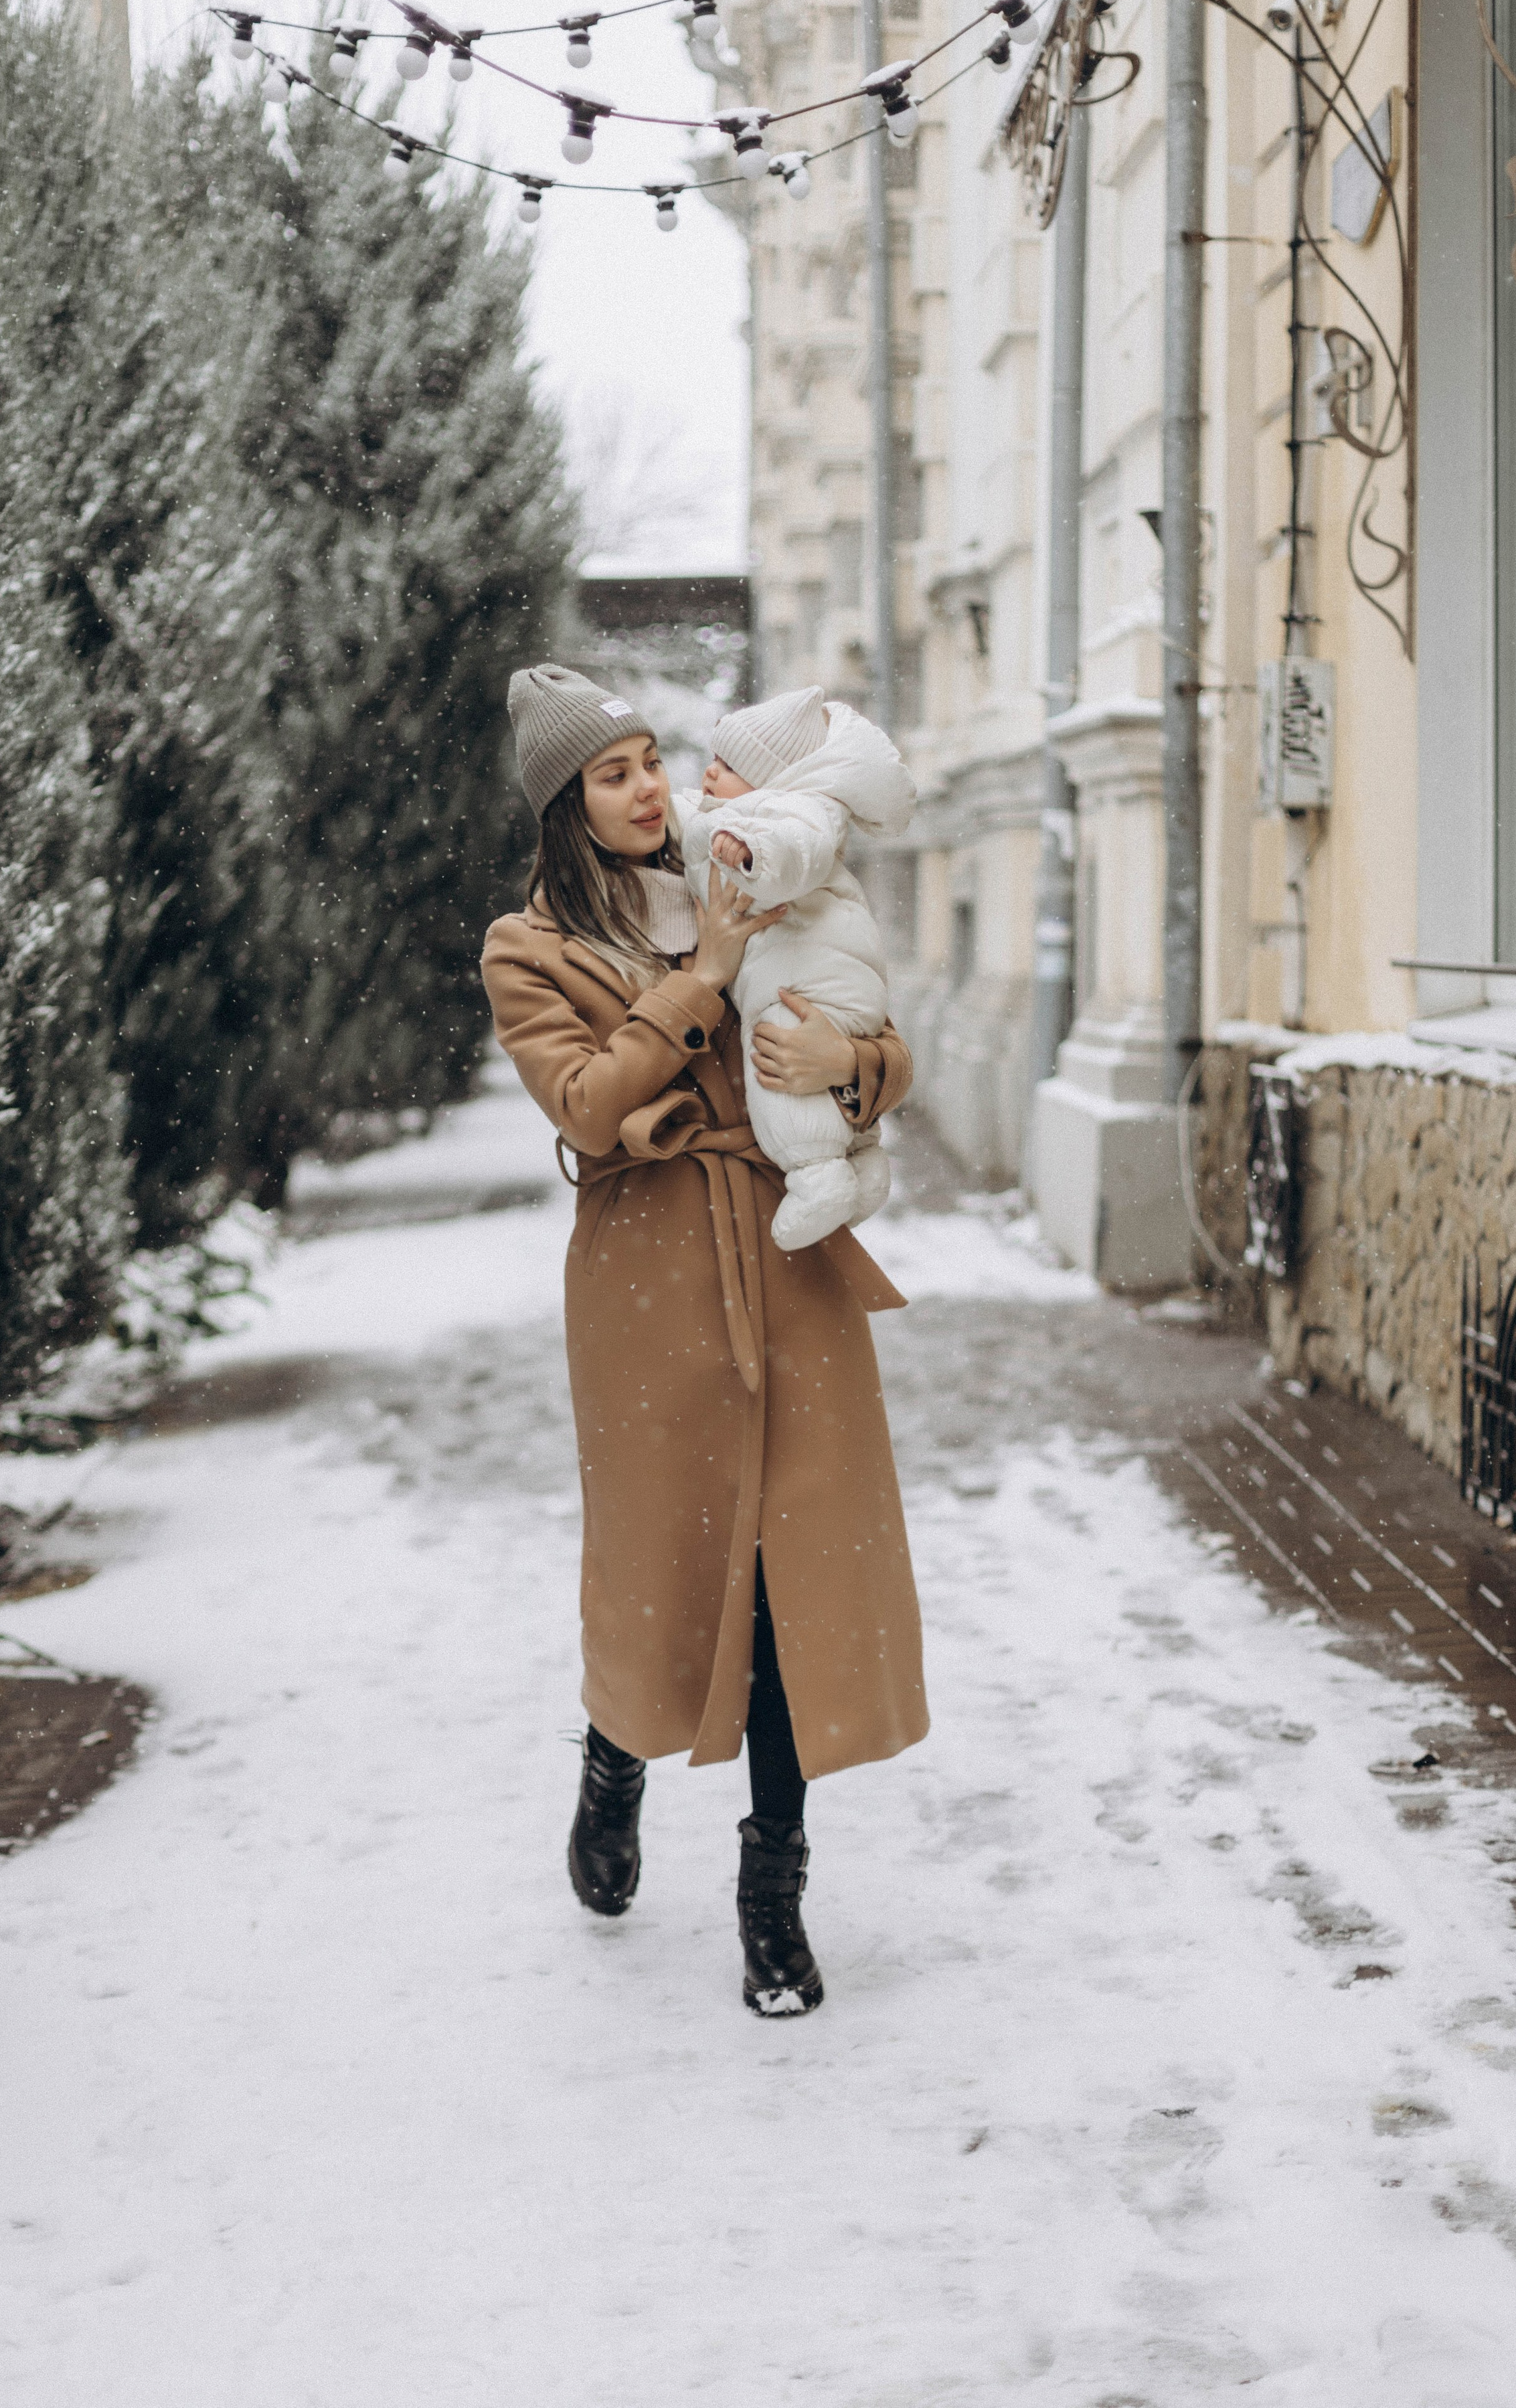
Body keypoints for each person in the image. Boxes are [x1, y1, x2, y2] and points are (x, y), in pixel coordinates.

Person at [481, 664, 929, 2018]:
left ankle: (770, 1895)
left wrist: (844, 1076)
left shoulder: (747, 861)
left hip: (786, 1256)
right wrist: (705, 981)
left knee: (789, 1575)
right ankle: (613, 1759)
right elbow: (583, 1104)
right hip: (647, 1282)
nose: (646, 790)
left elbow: (873, 1031)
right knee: (664, 1567)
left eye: (649, 763)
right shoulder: (526, 947)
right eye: (611, 774)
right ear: (565, 803)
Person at [675, 682, 918, 1253]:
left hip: (807, 984)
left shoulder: (788, 813)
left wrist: (753, 852)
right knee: (798, 1069)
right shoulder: (745, 812)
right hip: (829, 979)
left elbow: (793, 848)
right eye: (711, 760)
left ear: (771, 780)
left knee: (776, 1063)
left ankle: (816, 1174)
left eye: (729, 766)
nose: (709, 774)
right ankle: (860, 1161)